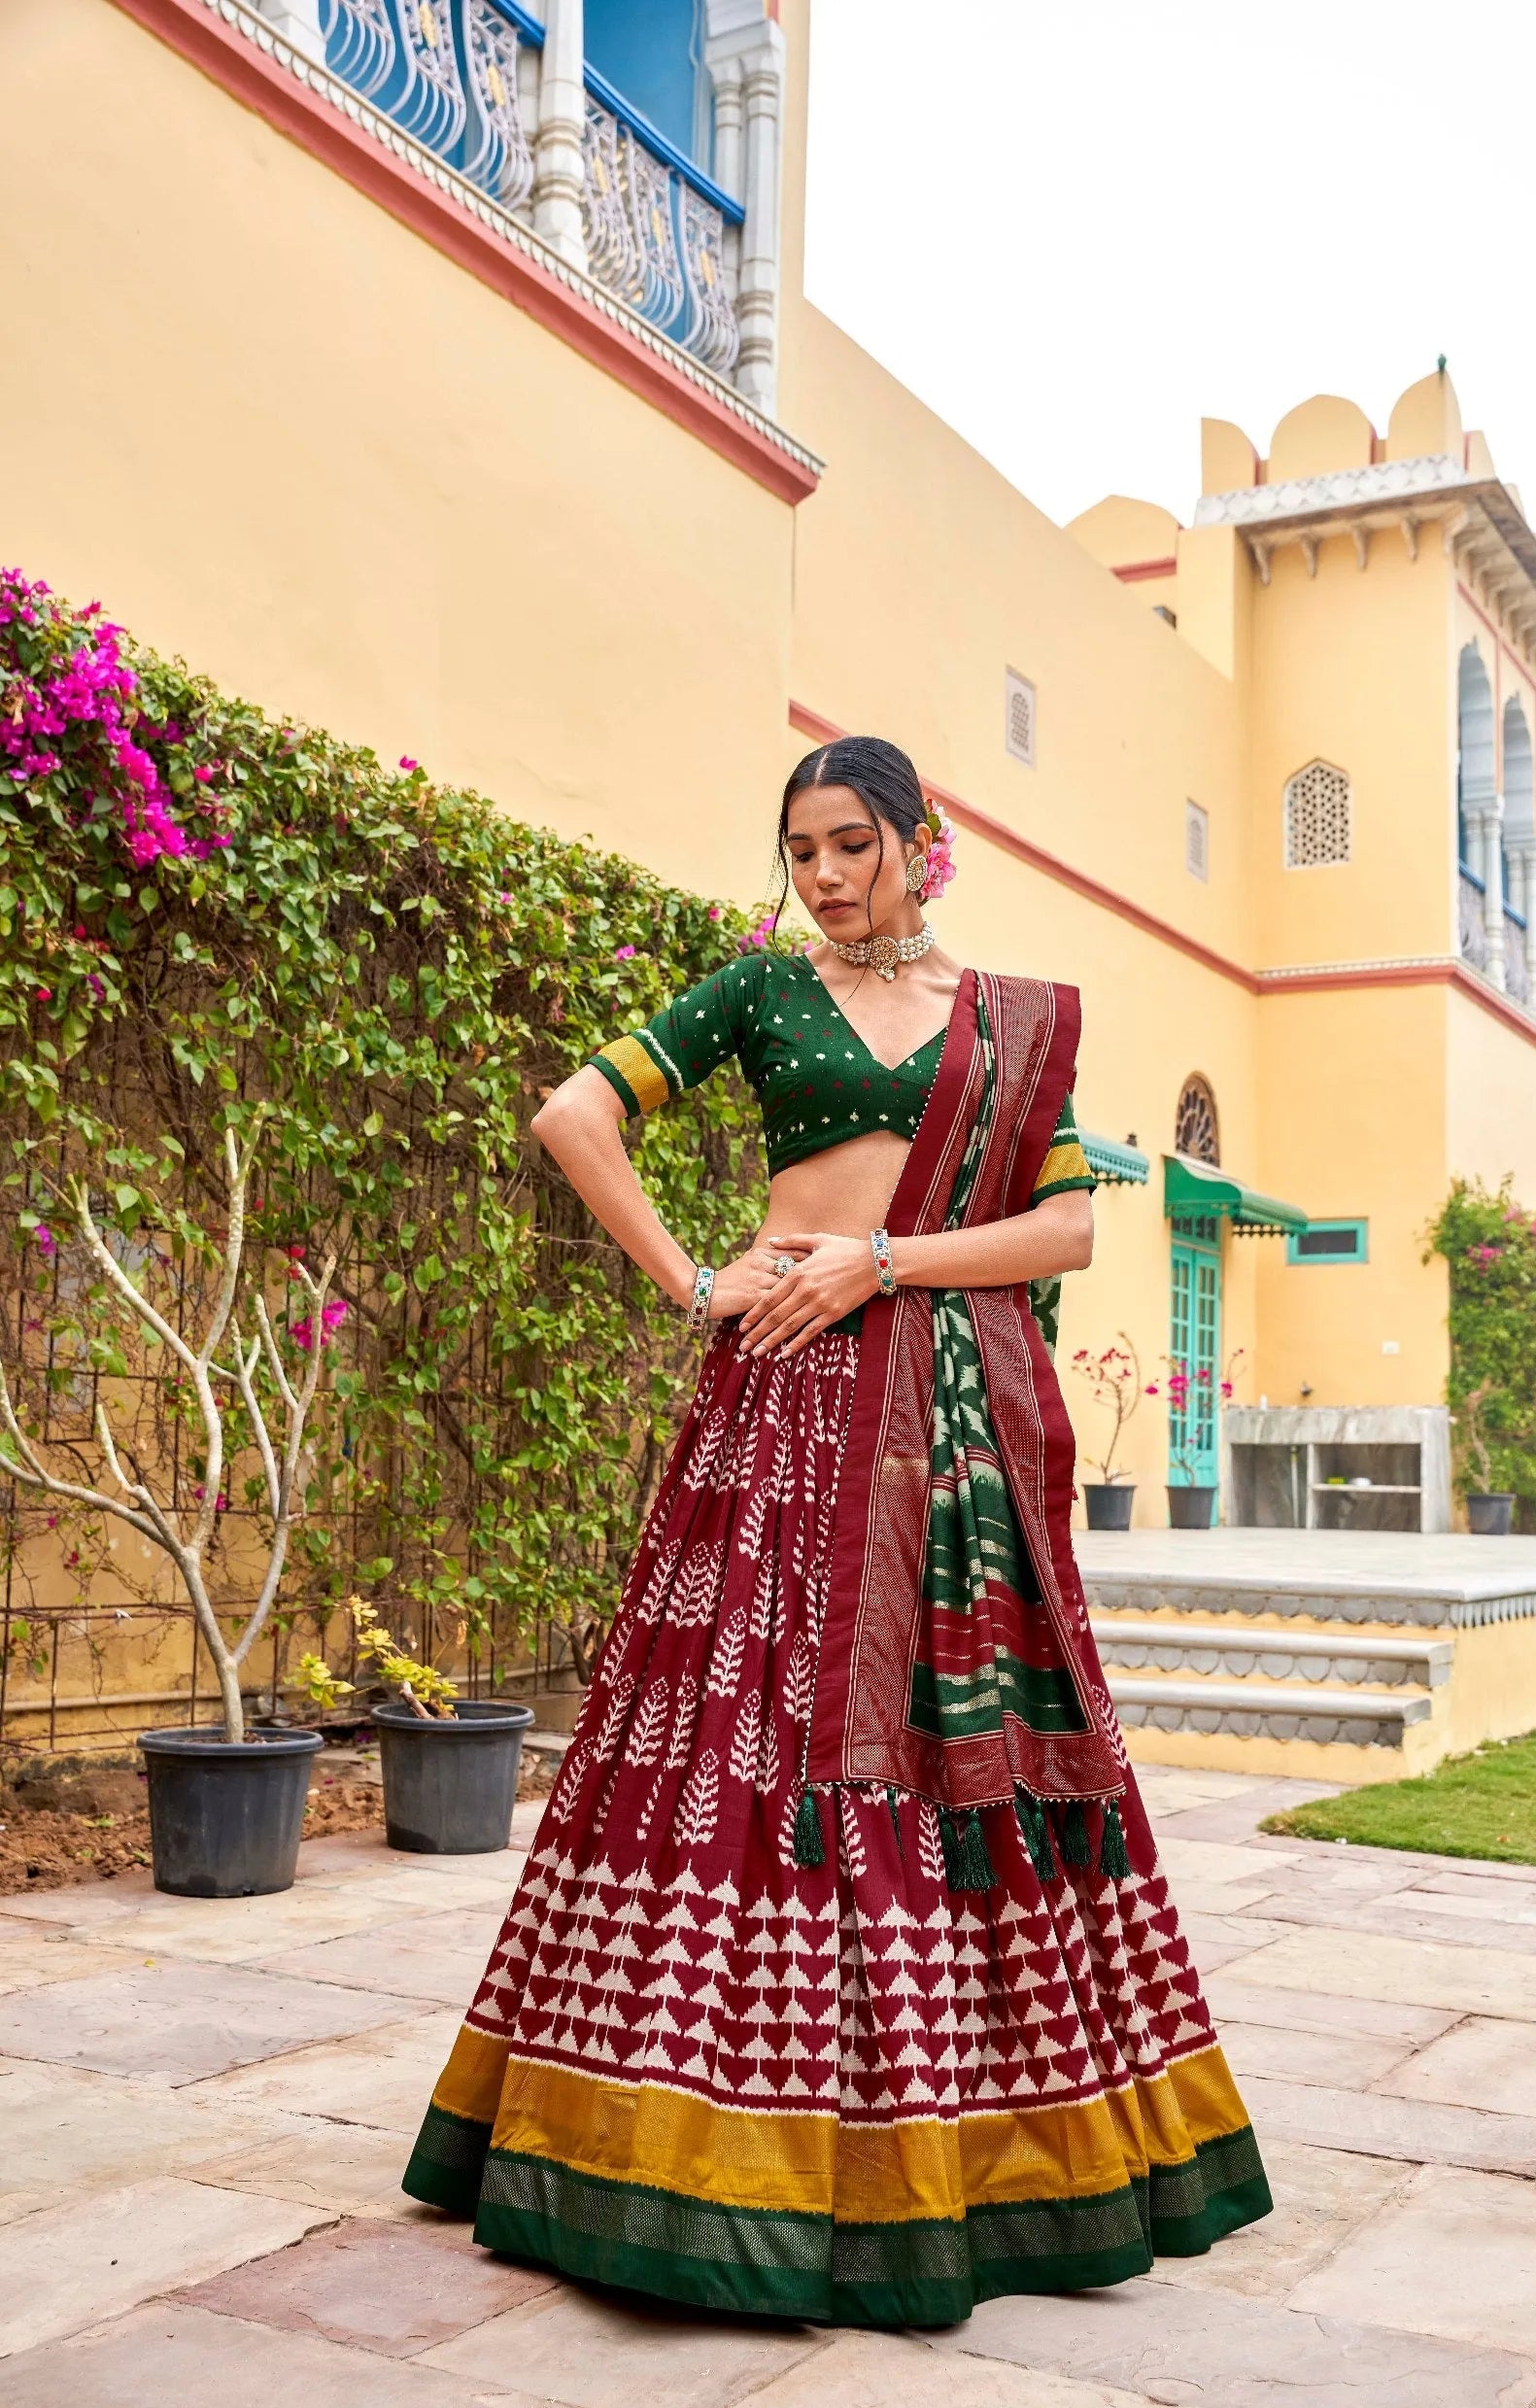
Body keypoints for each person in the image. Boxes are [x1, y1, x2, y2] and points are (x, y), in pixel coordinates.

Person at [403, 735, 1271, 2323]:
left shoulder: (1009, 1024)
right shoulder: (755, 995)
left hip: (946, 1423)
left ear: (920, 842)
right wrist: (691, 1281)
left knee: (950, 1743)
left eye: (852, 844)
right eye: (800, 848)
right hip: (786, 1414)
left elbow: (1069, 1225)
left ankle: (973, 2148)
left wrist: (880, 1260)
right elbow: (572, 1119)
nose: (824, 875)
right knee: (752, 1735)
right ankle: (686, 2139)